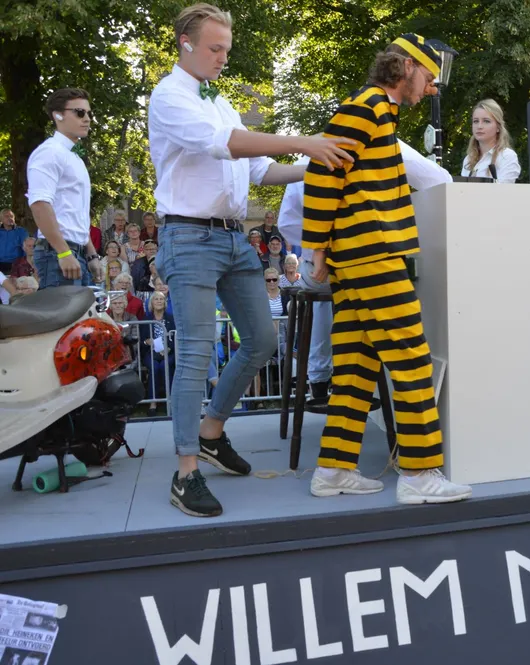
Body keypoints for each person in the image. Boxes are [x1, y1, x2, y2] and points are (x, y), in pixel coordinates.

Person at [147, 2, 357, 517]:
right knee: (196, 351)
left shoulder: (220, 100)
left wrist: (321, 162)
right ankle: (185, 472)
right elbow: (227, 145)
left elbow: (259, 169)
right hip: (187, 236)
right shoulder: (169, 95)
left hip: (232, 238)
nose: (223, 57)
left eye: (227, 49)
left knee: (262, 341)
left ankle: (211, 432)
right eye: (215, 48)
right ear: (185, 44)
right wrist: (308, 141)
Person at [302, 33, 472, 504]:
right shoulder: (370, 105)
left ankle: (333, 470)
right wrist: (316, 245)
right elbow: (321, 169)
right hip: (372, 252)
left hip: (359, 254)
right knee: (412, 358)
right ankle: (420, 474)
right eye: (429, 76)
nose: (432, 87)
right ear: (406, 67)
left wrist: (322, 246)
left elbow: (331, 172)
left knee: (356, 366)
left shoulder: (376, 109)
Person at [278, 140, 451, 410]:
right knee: (371, 291)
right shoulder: (384, 143)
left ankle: (320, 380)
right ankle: (362, 381)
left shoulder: (309, 154)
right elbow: (440, 180)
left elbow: (287, 223)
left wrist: (319, 249)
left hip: (321, 267)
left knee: (325, 294)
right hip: (367, 265)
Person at [27, 87, 104, 290]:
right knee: (62, 312)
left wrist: (91, 254)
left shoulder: (73, 157)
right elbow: (40, 204)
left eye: (89, 113)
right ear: (58, 115)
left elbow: (76, 215)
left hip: (76, 252)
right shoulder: (49, 153)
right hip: (58, 252)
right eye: (79, 112)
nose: (87, 118)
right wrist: (63, 252)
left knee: (85, 312)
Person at [461, 98, 520, 183]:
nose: (479, 126)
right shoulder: (468, 159)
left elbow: (504, 190)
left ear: (498, 127)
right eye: (476, 121)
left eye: (486, 121)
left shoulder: (506, 156)